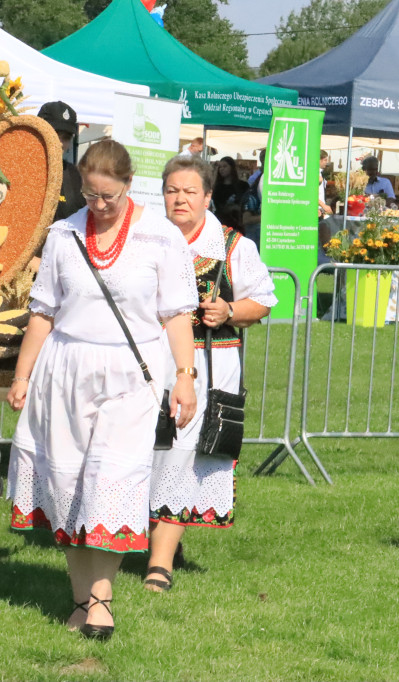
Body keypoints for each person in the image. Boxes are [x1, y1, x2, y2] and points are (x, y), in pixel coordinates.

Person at [6, 140, 198, 640]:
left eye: (109, 195)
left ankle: (101, 600)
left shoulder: (160, 237)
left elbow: (177, 313)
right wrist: (22, 376)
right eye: (91, 195)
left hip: (132, 374)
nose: (100, 205)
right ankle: (78, 597)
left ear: (129, 185)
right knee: (67, 486)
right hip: (65, 369)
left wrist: (185, 376)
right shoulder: (63, 235)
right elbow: (43, 312)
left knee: (110, 482)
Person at [145, 155, 276, 593]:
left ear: (207, 197)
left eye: (189, 192)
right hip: (148, 363)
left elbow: (263, 302)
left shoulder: (233, 246)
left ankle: (159, 564)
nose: (179, 199)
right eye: (171, 190)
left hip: (209, 367)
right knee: (148, 450)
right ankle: (161, 536)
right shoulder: (147, 238)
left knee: (183, 452)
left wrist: (230, 310)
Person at [37, 101, 85, 222]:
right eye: (55, 134)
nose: (60, 143)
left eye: (66, 138)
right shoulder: (18, 168)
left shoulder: (76, 176)